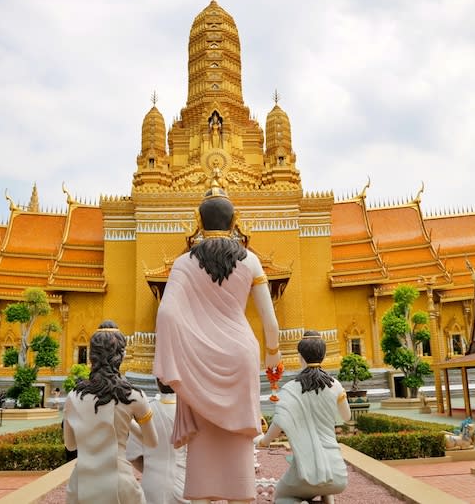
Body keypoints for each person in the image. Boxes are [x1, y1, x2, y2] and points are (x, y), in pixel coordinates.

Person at [153, 184, 281, 503]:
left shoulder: (183, 263)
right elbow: (270, 322)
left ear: (199, 219)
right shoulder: (250, 261)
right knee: (239, 448)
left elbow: (166, 312)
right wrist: (272, 355)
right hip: (241, 355)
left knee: (203, 455)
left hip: (198, 360)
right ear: (234, 219)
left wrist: (178, 352)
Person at [64, 320, 157, 503]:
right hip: (119, 482)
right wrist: (127, 422)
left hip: (82, 484)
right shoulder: (134, 397)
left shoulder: (73, 396)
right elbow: (152, 443)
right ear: (120, 355)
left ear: (92, 356)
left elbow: (70, 445)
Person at [256, 331, 351, 504]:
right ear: (323, 355)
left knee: (282, 496)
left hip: (305, 475)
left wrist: (263, 442)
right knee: (326, 490)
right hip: (337, 474)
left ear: (300, 357)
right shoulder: (335, 385)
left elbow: (277, 424)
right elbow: (346, 417)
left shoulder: (290, 389)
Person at [127, 379, 189, 504]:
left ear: (157, 382)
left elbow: (133, 456)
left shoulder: (146, 410)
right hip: (184, 482)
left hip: (152, 482)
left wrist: (152, 467)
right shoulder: (190, 412)